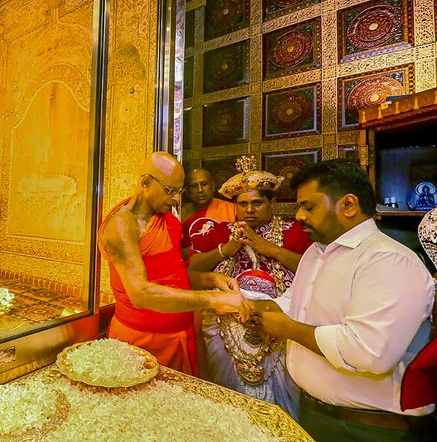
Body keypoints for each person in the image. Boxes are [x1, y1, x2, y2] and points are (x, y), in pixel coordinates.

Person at [250, 159, 435, 441]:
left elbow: (367, 352)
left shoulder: (387, 260)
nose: (298, 215)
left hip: (367, 426)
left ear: (348, 205)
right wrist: (250, 305)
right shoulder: (316, 252)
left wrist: (286, 329)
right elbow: (294, 302)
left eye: (308, 206)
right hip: (316, 411)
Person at [98, 152, 251, 376]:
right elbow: (141, 294)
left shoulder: (168, 220)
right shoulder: (122, 225)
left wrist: (212, 280)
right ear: (146, 182)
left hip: (183, 335)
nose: (177, 199)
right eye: (170, 191)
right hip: (140, 341)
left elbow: (174, 277)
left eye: (179, 191)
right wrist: (214, 299)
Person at [187, 155, 311, 419]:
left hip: (278, 328)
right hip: (225, 330)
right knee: (229, 406)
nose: (249, 210)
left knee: (281, 405)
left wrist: (269, 249)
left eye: (257, 203)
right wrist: (226, 249)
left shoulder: (293, 231)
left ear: (271, 203)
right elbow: (193, 268)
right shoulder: (221, 231)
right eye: (242, 204)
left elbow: (314, 270)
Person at [180, 168, 236, 255]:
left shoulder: (231, 209)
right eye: (194, 186)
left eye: (204, 184)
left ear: (213, 186)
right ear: (187, 191)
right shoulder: (179, 214)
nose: (200, 190)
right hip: (191, 265)